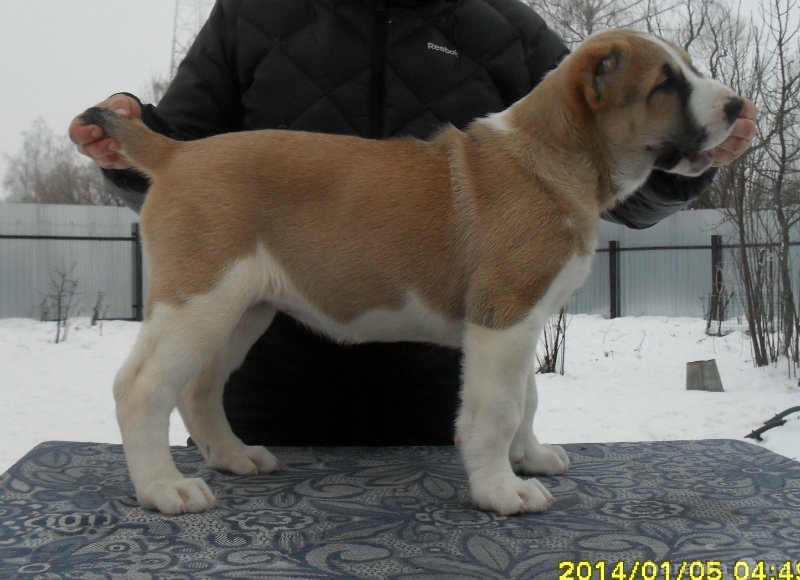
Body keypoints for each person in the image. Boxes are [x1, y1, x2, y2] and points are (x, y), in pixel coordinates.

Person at [70, 0, 756, 447]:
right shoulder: (254, 12)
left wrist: (685, 153)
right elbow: (184, 155)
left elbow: (601, 155)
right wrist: (128, 133)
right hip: (275, 402)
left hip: (432, 408)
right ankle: (177, 440)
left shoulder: (507, 28)